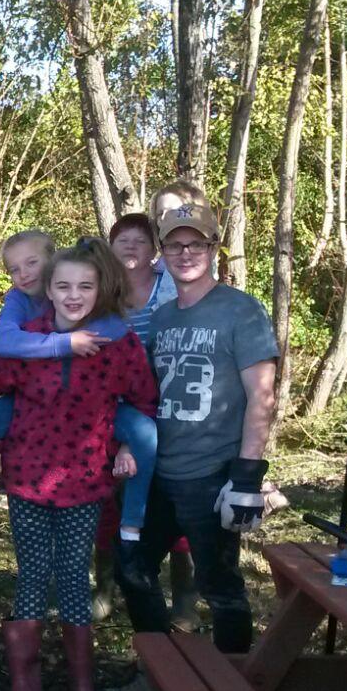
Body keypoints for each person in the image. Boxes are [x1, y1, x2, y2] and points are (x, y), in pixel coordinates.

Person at [0, 238, 159, 691]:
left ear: (100, 289)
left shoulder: (118, 344)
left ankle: (81, 689)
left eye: (85, 287)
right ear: (48, 291)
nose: (74, 296)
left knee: (74, 577)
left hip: (85, 479)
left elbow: (143, 398)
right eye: (64, 286)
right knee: (32, 575)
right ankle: (25, 684)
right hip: (28, 475)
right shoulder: (27, 340)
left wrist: (127, 445)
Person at [112, 202, 277, 691]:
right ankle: (162, 674)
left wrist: (246, 476)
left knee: (220, 586)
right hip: (158, 471)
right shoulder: (161, 317)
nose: (185, 253)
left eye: (196, 244)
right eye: (175, 244)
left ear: (213, 248)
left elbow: (262, 396)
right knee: (132, 568)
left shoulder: (241, 310)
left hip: (212, 473)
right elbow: (143, 393)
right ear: (162, 252)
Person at [0, 231, 133, 578]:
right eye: (14, 269)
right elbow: (3, 342)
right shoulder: (18, 300)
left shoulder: (73, 289)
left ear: (53, 257)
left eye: (31, 263)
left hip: (84, 405)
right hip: (25, 400)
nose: (24, 274)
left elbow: (114, 329)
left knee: (140, 436)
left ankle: (128, 537)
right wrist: (64, 343)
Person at [102, 213, 197, 627]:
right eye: (122, 239)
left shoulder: (172, 287)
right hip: (114, 407)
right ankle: (108, 585)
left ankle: (184, 599)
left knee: (170, 495)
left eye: (140, 240)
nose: (131, 246)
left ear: (154, 248)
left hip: (170, 404)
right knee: (111, 495)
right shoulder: (102, 290)